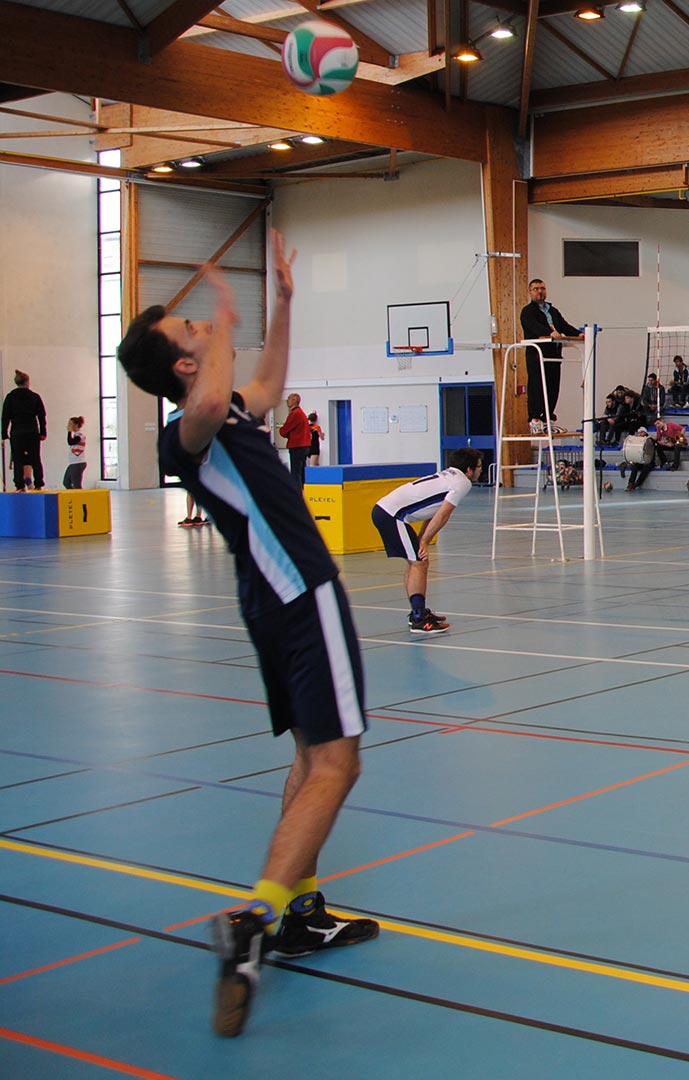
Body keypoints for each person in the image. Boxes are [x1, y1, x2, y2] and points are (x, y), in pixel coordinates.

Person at [115, 231, 376, 1038]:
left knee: (308, 757)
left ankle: (301, 913)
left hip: (271, 603)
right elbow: (203, 400)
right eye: (183, 329)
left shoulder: (224, 405)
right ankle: (256, 917)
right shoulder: (185, 430)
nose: (196, 325)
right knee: (338, 764)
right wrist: (221, 322)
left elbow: (264, 384)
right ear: (184, 365)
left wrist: (283, 305)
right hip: (300, 591)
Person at [371, 449, 485, 634]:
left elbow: (433, 512)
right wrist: (424, 541)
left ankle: (418, 611)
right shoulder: (462, 482)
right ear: (469, 469)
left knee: (416, 561)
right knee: (419, 562)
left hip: (387, 512)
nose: (481, 471)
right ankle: (419, 619)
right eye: (479, 467)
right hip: (392, 516)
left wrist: (422, 539)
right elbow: (443, 513)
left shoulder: (448, 476)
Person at [519, 278, 582, 432]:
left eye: (542, 288)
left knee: (553, 387)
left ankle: (547, 418)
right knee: (537, 386)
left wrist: (579, 334)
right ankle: (535, 419)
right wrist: (549, 333)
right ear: (530, 292)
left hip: (554, 355)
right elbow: (533, 326)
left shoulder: (553, 311)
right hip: (537, 355)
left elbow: (564, 325)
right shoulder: (528, 311)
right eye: (536, 289)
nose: (540, 291)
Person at [3, 370, 47, 491]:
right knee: (35, 458)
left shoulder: (10, 397)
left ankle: (20, 485)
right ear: (27, 382)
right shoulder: (34, 397)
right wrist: (43, 432)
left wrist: (4, 433)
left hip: (17, 432)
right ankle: (38, 483)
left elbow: (5, 416)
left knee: (18, 459)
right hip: (32, 431)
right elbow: (41, 416)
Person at [278, 393, 312, 487]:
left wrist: (282, 430)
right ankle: (302, 489)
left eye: (289, 398)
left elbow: (284, 431)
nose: (287, 401)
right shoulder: (301, 413)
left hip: (297, 446)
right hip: (304, 445)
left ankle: (297, 491)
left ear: (294, 401)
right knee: (301, 470)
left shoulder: (295, 414)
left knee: (296, 471)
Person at [62, 416, 86, 489]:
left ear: (75, 425)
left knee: (76, 484)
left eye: (70, 424)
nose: (68, 426)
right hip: (73, 463)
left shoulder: (80, 436)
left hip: (78, 463)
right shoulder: (75, 435)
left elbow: (70, 442)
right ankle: (73, 496)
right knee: (66, 482)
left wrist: (69, 432)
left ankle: (80, 499)